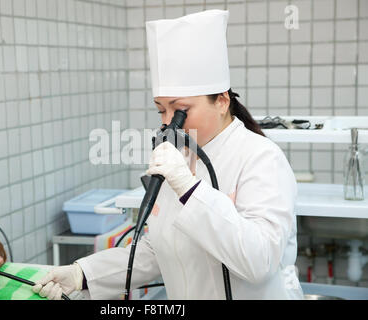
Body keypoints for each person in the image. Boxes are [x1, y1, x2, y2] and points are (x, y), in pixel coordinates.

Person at [32, 9, 304, 300]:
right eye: (161, 110)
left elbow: (259, 261)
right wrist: (83, 273)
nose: (168, 122)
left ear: (222, 101)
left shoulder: (261, 158)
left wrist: (190, 189)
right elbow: (160, 249)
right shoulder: (182, 159)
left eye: (180, 110)